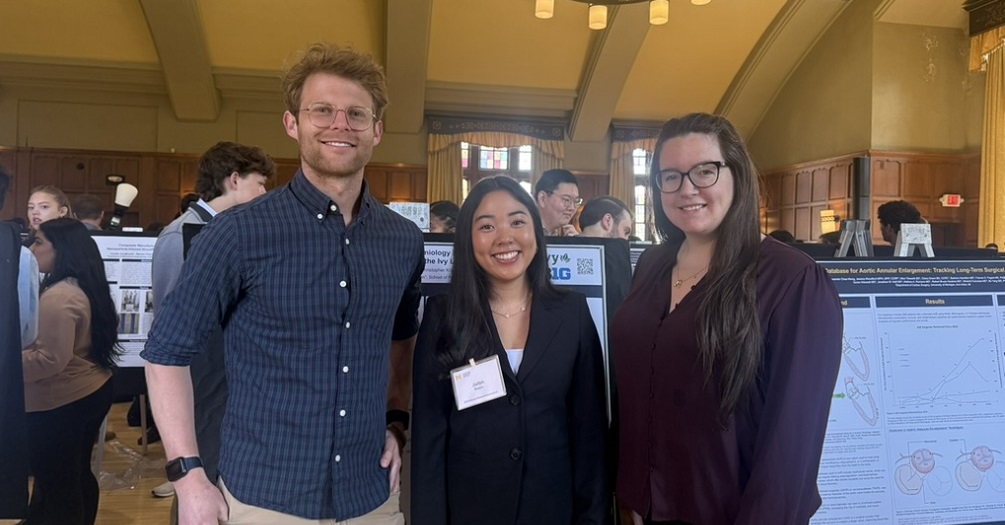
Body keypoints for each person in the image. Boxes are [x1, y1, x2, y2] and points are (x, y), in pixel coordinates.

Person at [141, 43, 423, 524]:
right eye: (322, 111)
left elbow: (400, 341)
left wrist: (397, 423)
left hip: (370, 496)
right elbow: (166, 354)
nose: (340, 125)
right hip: (264, 497)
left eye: (357, 114)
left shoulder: (403, 240)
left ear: (376, 130)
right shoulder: (237, 234)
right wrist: (188, 475)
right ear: (293, 123)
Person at [611, 113, 842, 525]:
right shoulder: (650, 264)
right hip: (637, 509)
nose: (687, 189)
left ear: (737, 175)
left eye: (704, 172)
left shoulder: (792, 280)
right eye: (671, 176)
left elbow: (791, 450)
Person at [411, 176, 609, 524]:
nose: (505, 237)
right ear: (468, 240)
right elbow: (430, 439)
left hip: (552, 510)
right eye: (487, 226)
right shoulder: (444, 315)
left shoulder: (572, 314)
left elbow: (589, 436)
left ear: (535, 230)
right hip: (470, 512)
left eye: (518, 221)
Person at [147, 141, 274, 502]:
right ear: (234, 180)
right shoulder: (178, 236)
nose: (265, 193)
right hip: (199, 381)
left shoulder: (242, 232)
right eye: (260, 183)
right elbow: (171, 330)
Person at [23, 218, 121, 524]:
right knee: (74, 472)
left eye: (38, 242)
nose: (30, 248)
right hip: (90, 389)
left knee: (58, 480)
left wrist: (5, 363)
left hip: (63, 400)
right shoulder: (81, 285)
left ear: (61, 249)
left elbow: (49, 359)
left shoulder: (59, 297)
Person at [534, 168, 581, 236]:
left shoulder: (559, 237)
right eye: (566, 199)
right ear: (542, 199)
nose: (572, 208)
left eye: (576, 201)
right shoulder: (525, 234)